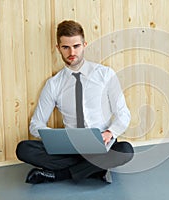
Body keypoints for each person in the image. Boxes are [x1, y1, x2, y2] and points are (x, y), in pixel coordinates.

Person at [16, 20, 134, 184]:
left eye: (76, 46)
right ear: (58, 48)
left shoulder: (105, 75)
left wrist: (109, 133)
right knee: (24, 149)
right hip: (69, 148)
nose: (72, 52)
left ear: (84, 45)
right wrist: (54, 137)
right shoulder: (54, 84)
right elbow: (36, 124)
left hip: (101, 146)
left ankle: (59, 175)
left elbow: (123, 114)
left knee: (126, 150)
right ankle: (93, 170)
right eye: (65, 47)